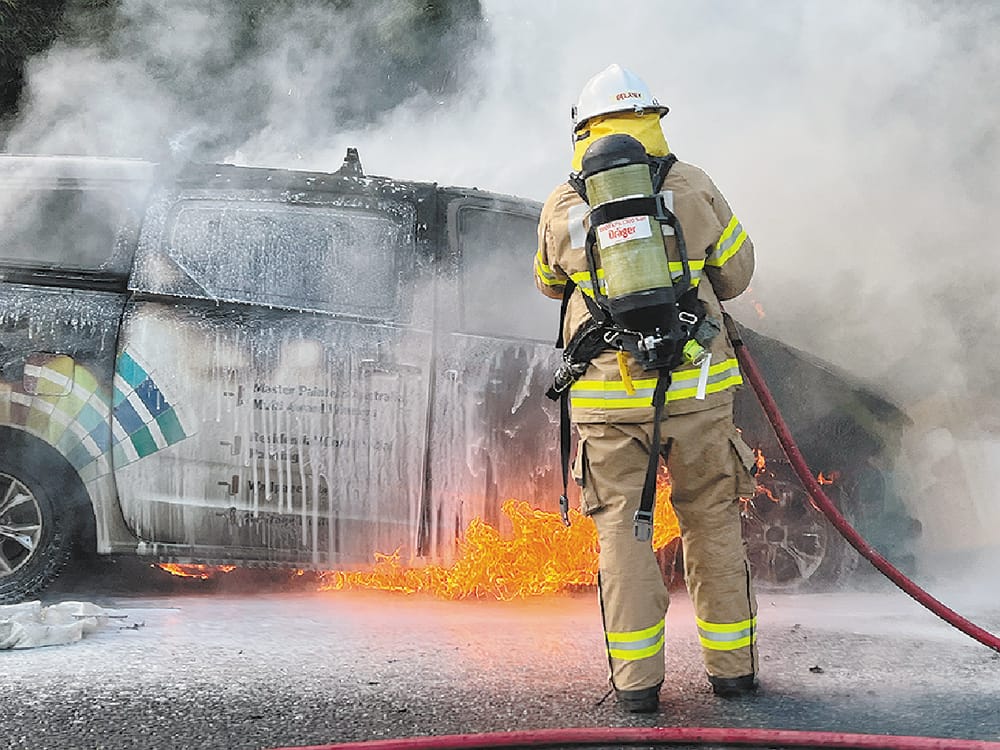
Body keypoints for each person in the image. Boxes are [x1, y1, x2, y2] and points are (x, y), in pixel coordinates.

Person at [534, 64, 759, 713]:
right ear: (653, 120)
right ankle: (733, 672)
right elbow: (738, 275)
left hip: (608, 403)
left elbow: (549, 283)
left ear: (583, 128)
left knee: (623, 538)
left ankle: (637, 688)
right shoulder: (692, 184)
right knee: (710, 522)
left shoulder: (563, 203)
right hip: (697, 389)